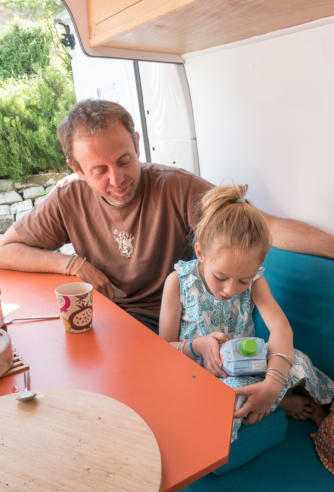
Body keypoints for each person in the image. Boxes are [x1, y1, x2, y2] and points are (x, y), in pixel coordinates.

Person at [0, 99, 334, 334]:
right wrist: (70, 264)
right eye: (99, 170)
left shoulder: (177, 188)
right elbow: (6, 249)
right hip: (105, 319)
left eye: (124, 161)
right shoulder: (67, 197)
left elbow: (265, 225)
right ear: (77, 169)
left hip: (168, 324)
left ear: (137, 143)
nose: (116, 180)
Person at [159, 184, 334, 441]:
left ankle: (271, 398)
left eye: (243, 280)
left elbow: (281, 329)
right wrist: (197, 346)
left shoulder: (256, 283)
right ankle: (281, 405)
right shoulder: (178, 282)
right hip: (204, 379)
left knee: (299, 361)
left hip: (249, 366)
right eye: (221, 277)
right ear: (201, 253)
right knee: (227, 400)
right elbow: (163, 350)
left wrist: (273, 383)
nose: (231, 289)